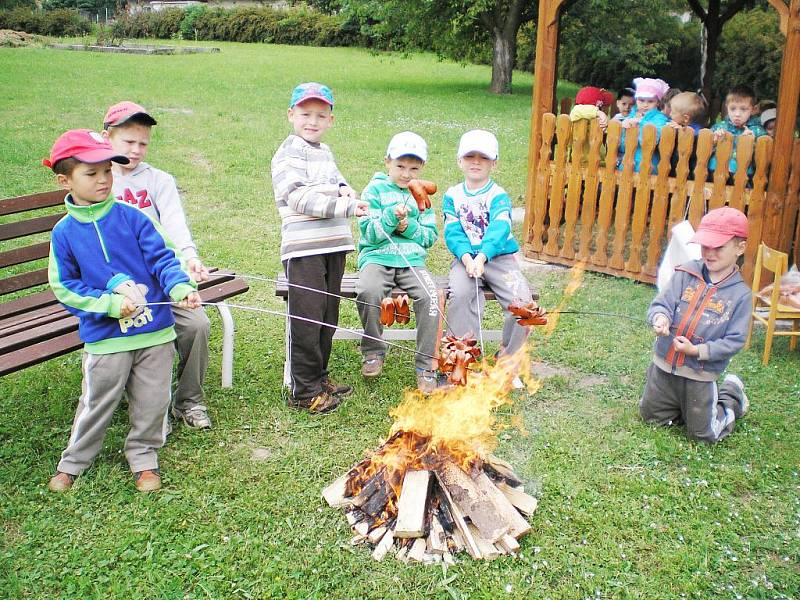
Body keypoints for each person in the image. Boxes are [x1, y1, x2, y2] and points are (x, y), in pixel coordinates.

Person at [44, 129, 201, 492]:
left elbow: (164, 256)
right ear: (64, 180)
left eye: (107, 171)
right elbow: (65, 286)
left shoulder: (133, 217)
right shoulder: (64, 232)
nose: (103, 180)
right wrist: (110, 304)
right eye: (91, 173)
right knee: (97, 403)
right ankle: (73, 462)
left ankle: (145, 458)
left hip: (155, 332)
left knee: (152, 400)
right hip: (106, 340)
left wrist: (180, 287)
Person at [103, 101, 213, 430]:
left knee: (197, 325)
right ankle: (139, 398)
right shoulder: (96, 179)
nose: (136, 150)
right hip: (116, 284)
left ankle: (189, 400)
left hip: (162, 276)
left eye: (143, 143)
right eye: (128, 142)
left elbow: (175, 225)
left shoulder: (159, 180)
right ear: (107, 137)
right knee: (136, 333)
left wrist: (190, 257)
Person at [271, 82, 368, 414]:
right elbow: (297, 196)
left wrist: (348, 192)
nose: (312, 121)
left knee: (328, 315)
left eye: (320, 115)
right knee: (307, 317)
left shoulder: (324, 152)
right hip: (304, 250)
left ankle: (319, 375)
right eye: (305, 114)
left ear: (330, 120)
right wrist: (345, 207)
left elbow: (338, 183)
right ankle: (304, 391)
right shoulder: (287, 153)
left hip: (334, 245)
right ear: (291, 115)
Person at [640, 207, 751, 443]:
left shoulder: (740, 295)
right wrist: (661, 318)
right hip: (663, 368)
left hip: (699, 376)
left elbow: (734, 341)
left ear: (740, 248)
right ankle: (681, 407)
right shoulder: (685, 273)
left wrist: (697, 351)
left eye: (718, 247)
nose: (709, 253)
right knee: (651, 418)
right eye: (705, 246)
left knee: (703, 436)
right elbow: (662, 304)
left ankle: (732, 395)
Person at [356, 132, 441, 393]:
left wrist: (409, 226)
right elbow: (369, 232)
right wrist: (391, 219)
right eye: (400, 166)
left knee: (431, 297)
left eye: (414, 168)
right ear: (387, 162)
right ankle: (373, 350)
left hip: (411, 261)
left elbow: (429, 237)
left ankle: (426, 365)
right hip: (377, 258)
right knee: (368, 291)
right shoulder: (374, 190)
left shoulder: (422, 196)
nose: (406, 174)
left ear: (422, 168)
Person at [443, 130, 535, 365]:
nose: (476, 161)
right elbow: (453, 233)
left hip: (498, 258)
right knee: (461, 296)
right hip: (465, 260)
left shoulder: (498, 195)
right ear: (459, 161)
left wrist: (482, 257)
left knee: (523, 305)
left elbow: (500, 228)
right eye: (469, 156)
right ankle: (461, 357)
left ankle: (507, 359)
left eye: (483, 157)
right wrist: (467, 259)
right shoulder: (452, 195)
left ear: (494, 164)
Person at [710, 85, 767, 174]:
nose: (737, 114)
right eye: (732, 109)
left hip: (743, 175)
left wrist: (754, 144)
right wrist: (714, 141)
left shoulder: (757, 131)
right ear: (727, 107)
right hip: (715, 171)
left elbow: (764, 158)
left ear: (753, 110)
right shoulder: (719, 127)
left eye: (743, 109)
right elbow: (703, 151)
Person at [619, 78, 671, 173]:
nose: (645, 105)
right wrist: (623, 129)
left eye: (650, 101)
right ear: (636, 100)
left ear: (658, 102)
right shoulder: (632, 115)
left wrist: (639, 123)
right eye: (641, 100)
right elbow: (622, 146)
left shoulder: (659, 118)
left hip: (646, 165)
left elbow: (651, 141)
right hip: (627, 164)